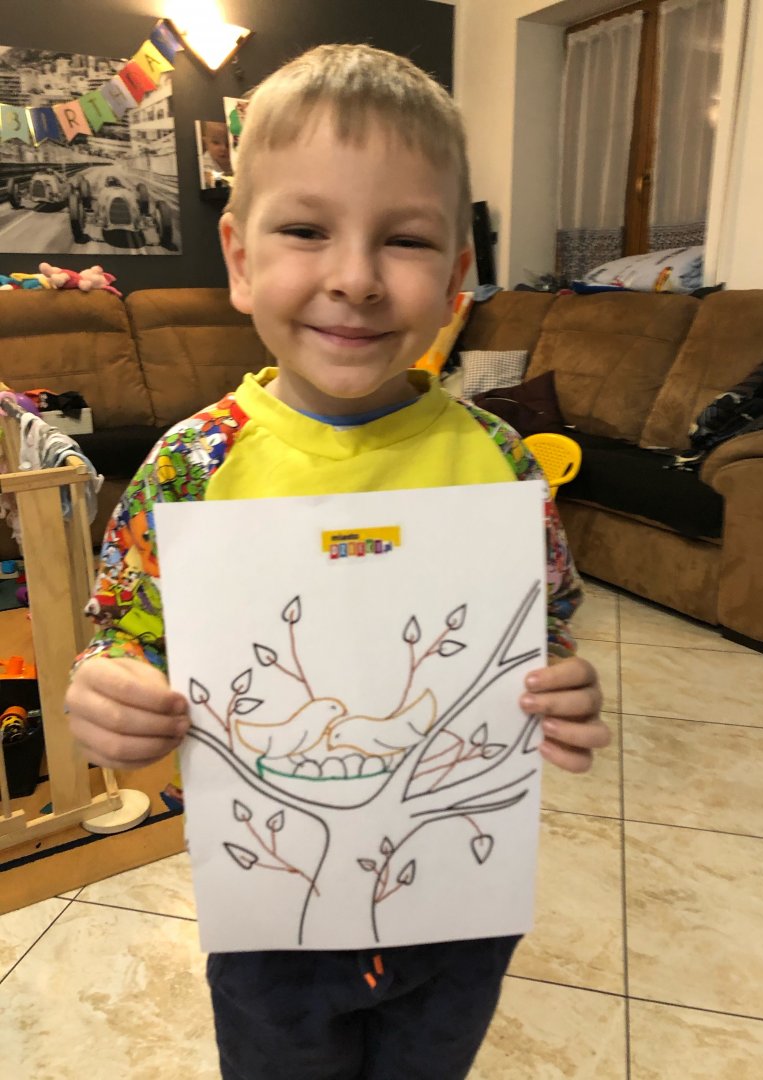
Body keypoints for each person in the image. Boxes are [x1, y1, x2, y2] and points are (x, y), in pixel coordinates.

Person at [66, 43, 610, 1080]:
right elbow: (124, 639)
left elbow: (543, 630)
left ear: (455, 279)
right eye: (307, 230)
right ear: (239, 260)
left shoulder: (500, 464)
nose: (354, 278)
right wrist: (112, 692)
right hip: (274, 918)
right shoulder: (190, 467)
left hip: (454, 915)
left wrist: (563, 686)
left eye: (404, 240)